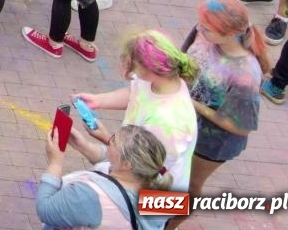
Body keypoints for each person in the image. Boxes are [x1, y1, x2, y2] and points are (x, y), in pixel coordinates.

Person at [70, 32, 199, 230]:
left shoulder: (167, 124)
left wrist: (107, 139)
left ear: (150, 68)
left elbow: (145, 167)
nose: (132, 71)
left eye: (135, 64)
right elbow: (135, 94)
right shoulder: (162, 80)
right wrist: (99, 100)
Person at [179, 0, 266, 214]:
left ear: (229, 34)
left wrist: (194, 105)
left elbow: (240, 126)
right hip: (183, 125)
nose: (200, 29)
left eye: (207, 29)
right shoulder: (203, 33)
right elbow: (182, 60)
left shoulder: (246, 75)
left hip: (210, 143)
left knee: (189, 184)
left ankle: (170, 224)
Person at [35, 121, 166, 230]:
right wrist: (84, 146)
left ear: (127, 165)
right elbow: (111, 161)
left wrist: (55, 163)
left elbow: (45, 210)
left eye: (114, 140)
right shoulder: (157, 179)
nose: (109, 141)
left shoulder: (89, 196)